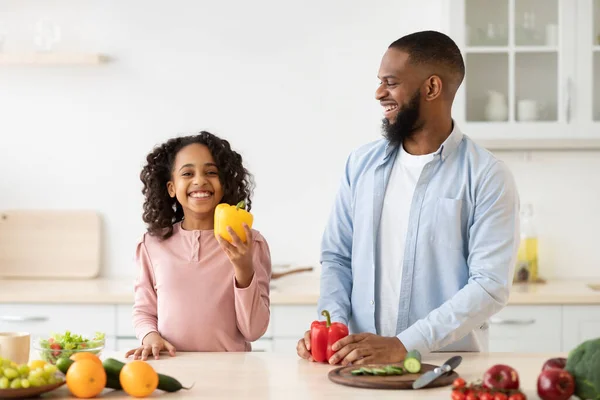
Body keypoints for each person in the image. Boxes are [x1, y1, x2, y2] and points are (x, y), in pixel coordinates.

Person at [297, 30, 520, 366]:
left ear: (431, 88)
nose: (378, 93)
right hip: (358, 366)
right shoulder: (361, 165)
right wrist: (331, 326)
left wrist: (404, 344)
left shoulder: (487, 176)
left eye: (391, 82)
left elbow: (489, 286)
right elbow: (337, 257)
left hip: (444, 368)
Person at [126, 131, 272, 360]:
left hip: (233, 375)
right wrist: (150, 336)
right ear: (171, 188)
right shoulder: (151, 244)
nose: (200, 180)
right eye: (187, 173)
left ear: (224, 184)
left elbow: (254, 331)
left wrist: (244, 269)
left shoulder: (249, 242)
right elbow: (144, 311)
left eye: (211, 172)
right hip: (171, 367)